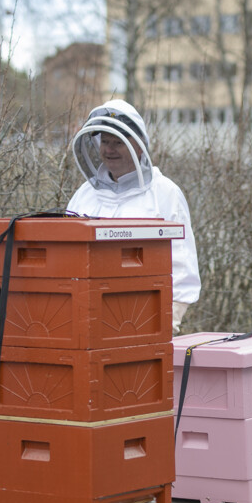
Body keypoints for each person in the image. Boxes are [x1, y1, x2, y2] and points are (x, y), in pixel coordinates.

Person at [68, 100, 200, 331]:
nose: (109, 150)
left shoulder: (164, 193)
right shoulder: (84, 194)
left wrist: (168, 322)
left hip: (144, 320)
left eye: (118, 142)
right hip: (86, 319)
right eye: (105, 142)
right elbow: (68, 258)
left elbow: (182, 266)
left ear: (138, 146)